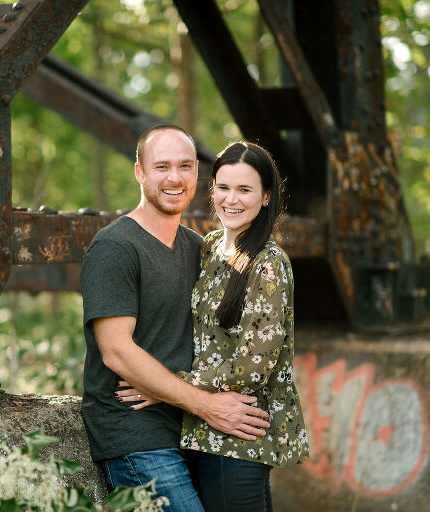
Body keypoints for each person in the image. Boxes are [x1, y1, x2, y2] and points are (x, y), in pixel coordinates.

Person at [80, 126, 271, 511]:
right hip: (136, 435)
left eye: (185, 166)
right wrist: (204, 403)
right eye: (162, 166)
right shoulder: (115, 247)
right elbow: (116, 352)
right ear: (140, 172)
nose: (174, 178)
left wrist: (189, 396)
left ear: (198, 174)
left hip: (191, 428)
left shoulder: (198, 248)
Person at [118, 141, 310, 511]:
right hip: (200, 429)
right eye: (223, 187)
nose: (231, 200)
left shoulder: (268, 263)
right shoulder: (209, 248)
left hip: (239, 434)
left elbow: (254, 365)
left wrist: (170, 387)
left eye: (245, 189)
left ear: (266, 197)